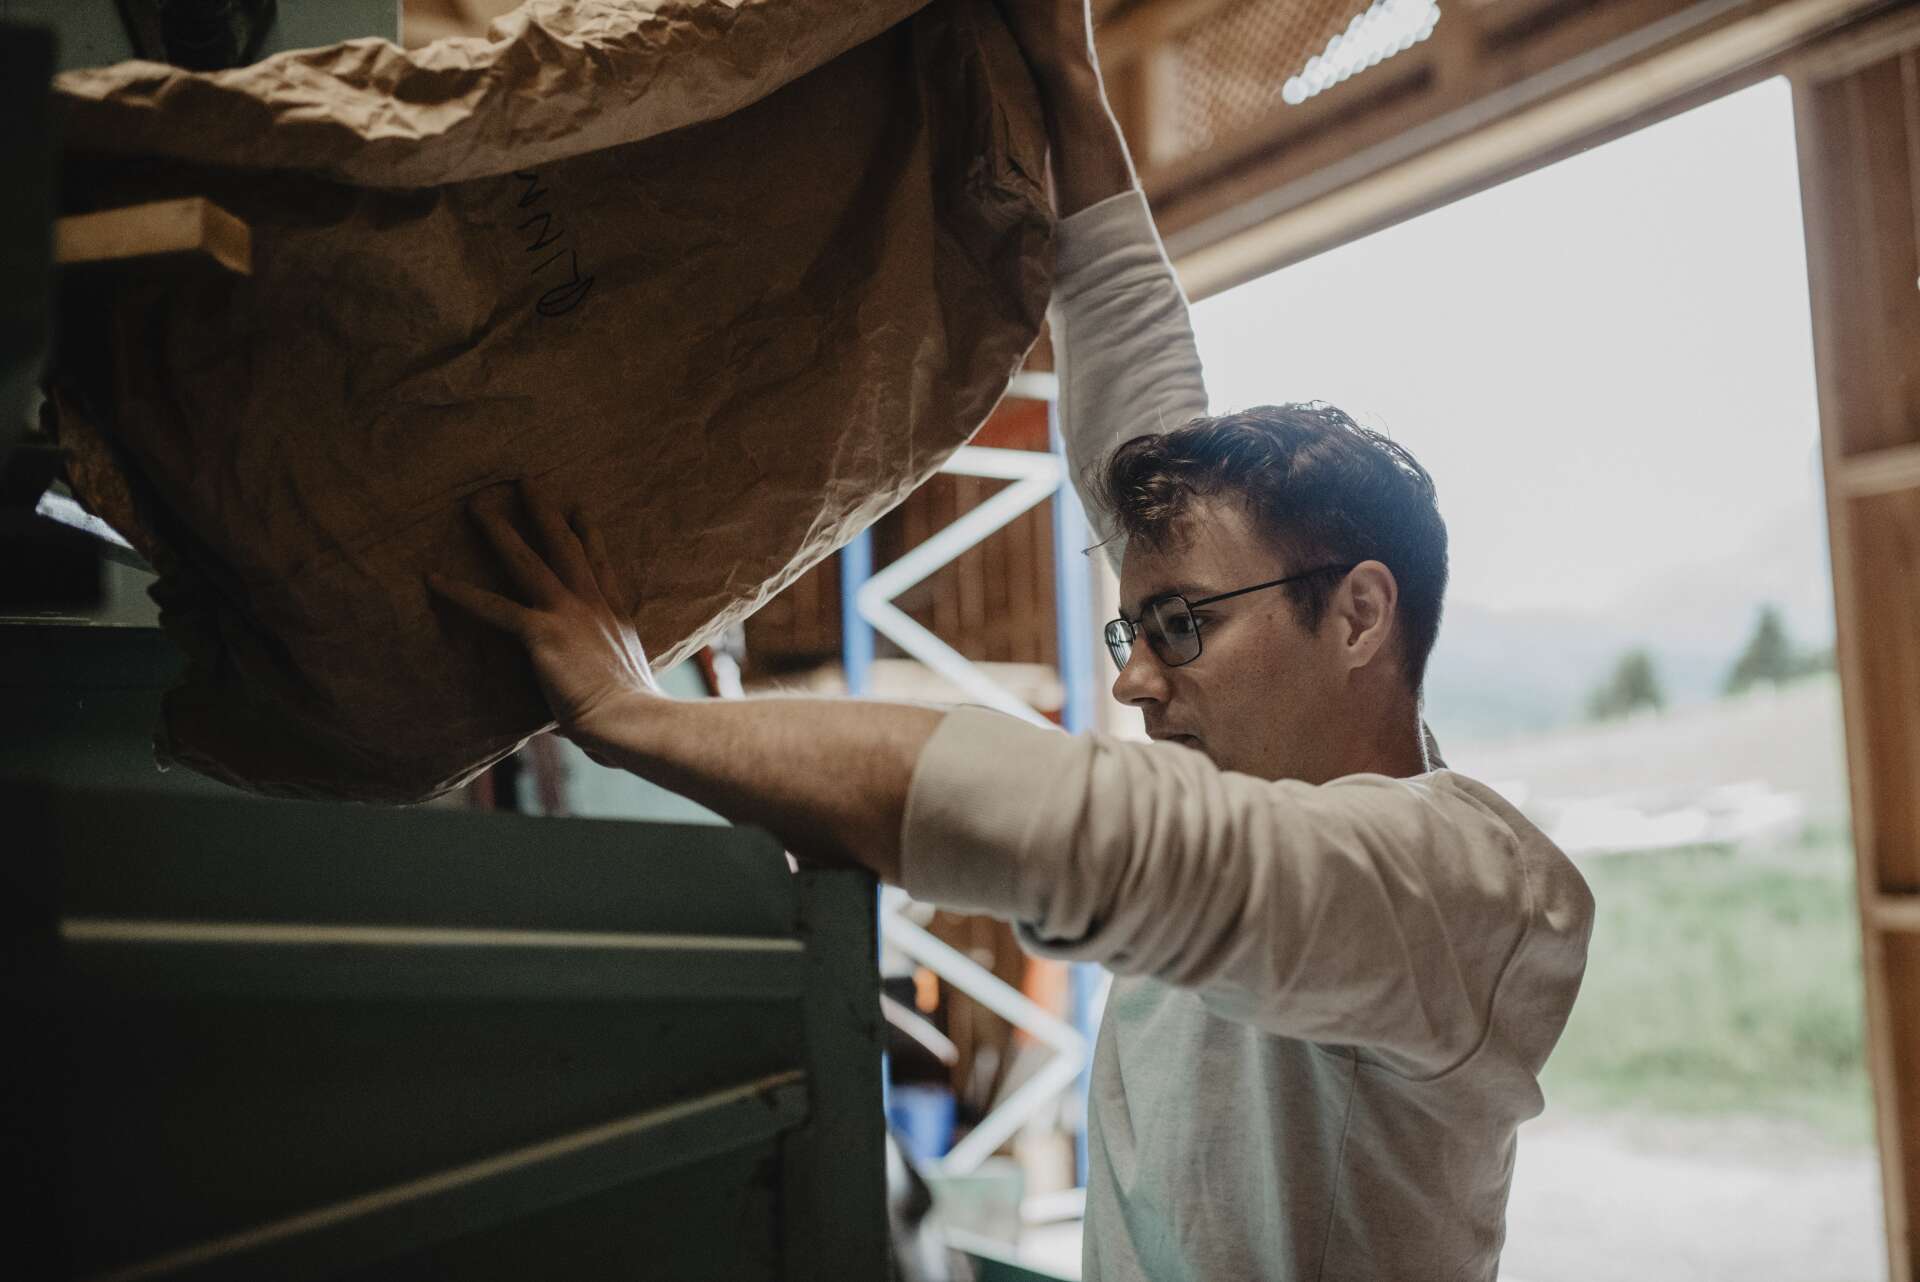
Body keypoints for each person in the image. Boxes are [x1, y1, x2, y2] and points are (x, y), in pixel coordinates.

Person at [429, 3, 1594, 1277]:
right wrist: (1067, 76)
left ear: (1360, 614)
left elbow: (1080, 829)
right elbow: (1135, 414)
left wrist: (635, 718)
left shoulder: (1467, 894)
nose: (1135, 675)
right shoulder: (1260, 795)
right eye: (1136, 622)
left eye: (1181, 628)